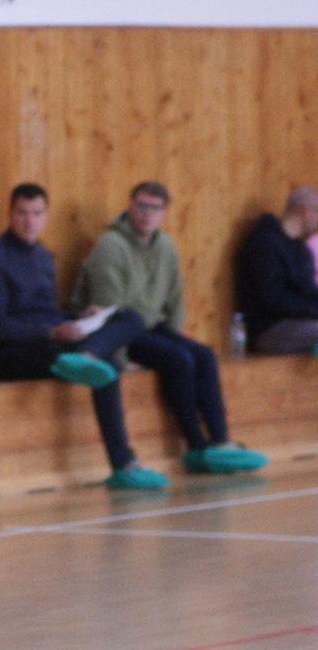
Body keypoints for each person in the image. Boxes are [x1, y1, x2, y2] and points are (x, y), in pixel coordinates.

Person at [0, 183, 169, 490]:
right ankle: (124, 462)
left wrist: (78, 317)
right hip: (16, 349)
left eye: (37, 213)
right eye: (22, 213)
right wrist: (50, 331)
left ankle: (88, 353)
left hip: (53, 336)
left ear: (46, 217)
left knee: (129, 317)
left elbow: (47, 311)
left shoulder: (43, 257)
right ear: (9, 215)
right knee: (106, 367)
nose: (29, 221)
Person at [73, 182, 265, 475]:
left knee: (203, 355)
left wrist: (176, 336)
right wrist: (121, 359)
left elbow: (175, 300)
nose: (147, 214)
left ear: (164, 214)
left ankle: (220, 439)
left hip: (153, 325)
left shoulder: (165, 246)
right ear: (130, 207)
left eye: (155, 208)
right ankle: (195, 444)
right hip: (123, 330)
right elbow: (108, 312)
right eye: (141, 206)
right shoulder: (110, 245)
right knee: (179, 359)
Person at [235, 186, 318, 354]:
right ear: (306, 211)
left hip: (300, 323)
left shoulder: (299, 249)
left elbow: (308, 291)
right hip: (269, 329)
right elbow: (274, 300)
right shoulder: (264, 244)